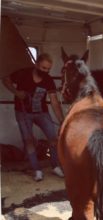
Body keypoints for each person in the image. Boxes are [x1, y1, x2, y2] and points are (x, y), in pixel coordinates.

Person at [2, 53, 65, 181]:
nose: (46, 71)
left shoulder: (48, 80)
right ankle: (37, 170)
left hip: (42, 112)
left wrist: (62, 121)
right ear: (36, 64)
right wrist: (16, 92)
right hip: (23, 112)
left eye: (48, 69)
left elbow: (54, 101)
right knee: (29, 141)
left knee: (53, 138)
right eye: (43, 68)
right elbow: (5, 79)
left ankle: (55, 166)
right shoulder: (22, 74)